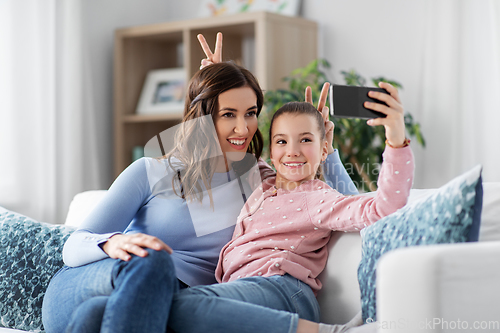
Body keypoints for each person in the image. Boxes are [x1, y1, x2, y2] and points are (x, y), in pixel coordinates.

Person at [41, 39, 356, 333]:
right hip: (97, 278)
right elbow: (73, 245)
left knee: (95, 316)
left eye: (250, 113)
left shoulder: (259, 178)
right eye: (227, 114)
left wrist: (325, 151)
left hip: (163, 304)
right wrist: (111, 244)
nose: (242, 127)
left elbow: (349, 208)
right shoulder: (149, 171)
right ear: (203, 116)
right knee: (153, 262)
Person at [166, 85, 414, 333]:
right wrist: (213, 88)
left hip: (283, 290)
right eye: (282, 141)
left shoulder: (316, 197)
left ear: (323, 147)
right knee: (165, 307)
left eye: (305, 140)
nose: (292, 151)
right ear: (271, 152)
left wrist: (395, 137)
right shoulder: (262, 181)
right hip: (246, 293)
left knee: (182, 305)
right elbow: (220, 146)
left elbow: (381, 209)